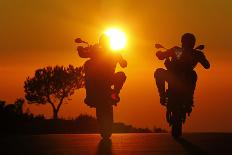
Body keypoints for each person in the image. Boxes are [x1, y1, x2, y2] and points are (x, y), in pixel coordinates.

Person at [154, 33, 210, 112]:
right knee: (193, 74)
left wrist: (159, 53)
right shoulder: (196, 53)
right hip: (180, 78)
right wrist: (200, 57)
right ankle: (189, 98)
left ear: (182, 42)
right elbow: (207, 66)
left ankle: (163, 95)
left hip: (173, 77)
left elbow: (161, 56)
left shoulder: (177, 50)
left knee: (158, 72)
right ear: (193, 43)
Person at [77, 34, 127, 107]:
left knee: (121, 75)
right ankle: (90, 95)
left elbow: (123, 64)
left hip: (108, 78)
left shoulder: (114, 53)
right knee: (87, 64)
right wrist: (80, 49)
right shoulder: (97, 51)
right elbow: (83, 54)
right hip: (100, 79)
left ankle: (115, 93)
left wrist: (123, 61)